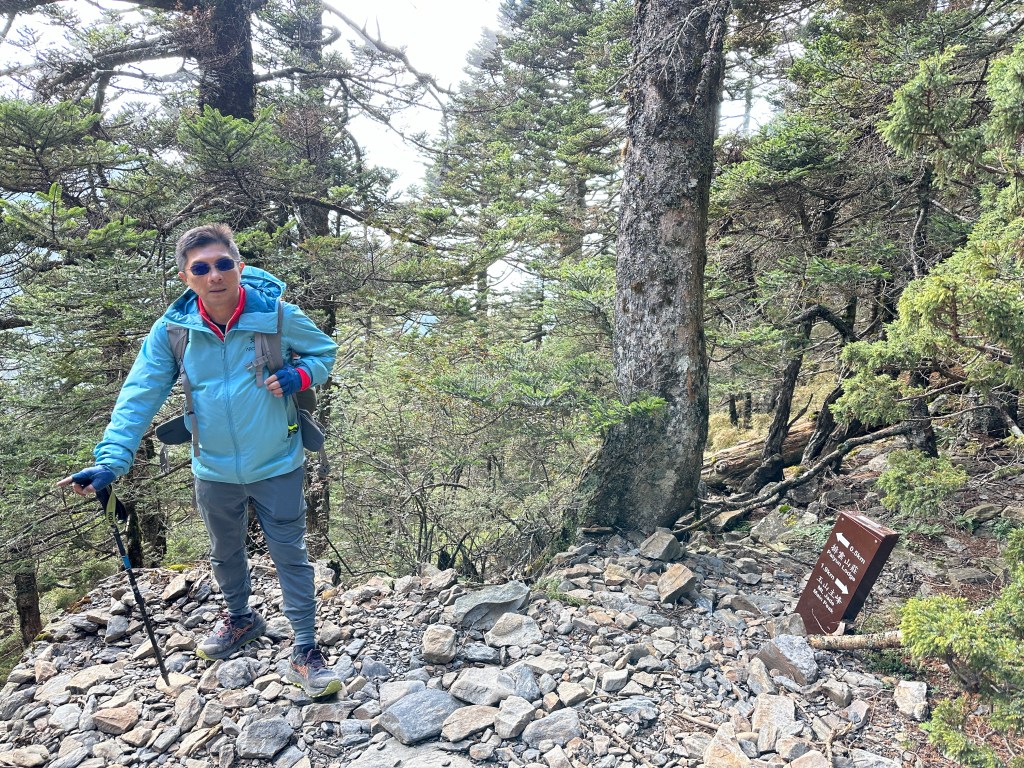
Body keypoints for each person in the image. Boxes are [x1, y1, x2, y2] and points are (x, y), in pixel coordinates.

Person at [57, 223, 341, 698]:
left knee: (290, 555)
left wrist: (301, 375)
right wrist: (111, 461)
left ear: (240, 267)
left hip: (278, 461)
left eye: (223, 264)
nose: (215, 275)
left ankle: (306, 649)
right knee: (224, 552)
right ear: (186, 277)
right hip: (213, 468)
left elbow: (323, 352)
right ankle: (241, 619)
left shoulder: (277, 316)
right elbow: (138, 396)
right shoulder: (174, 332)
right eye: (201, 268)